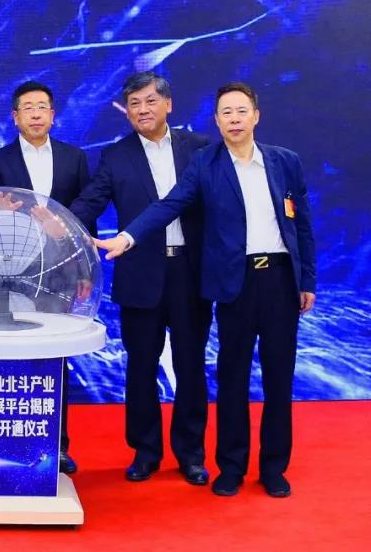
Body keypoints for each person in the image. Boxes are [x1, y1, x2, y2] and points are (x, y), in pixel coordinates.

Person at [95, 81, 317, 498]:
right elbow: (169, 204)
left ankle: (273, 468)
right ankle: (231, 466)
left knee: (279, 379)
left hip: (280, 281)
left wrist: (307, 280)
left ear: (256, 116)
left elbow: (301, 224)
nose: (234, 119)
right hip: (234, 283)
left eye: (241, 111)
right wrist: (127, 237)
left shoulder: (285, 162)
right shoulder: (205, 163)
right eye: (225, 113)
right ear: (216, 121)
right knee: (232, 379)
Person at [69, 72, 213, 485]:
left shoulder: (200, 148)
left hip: (189, 272)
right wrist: (57, 224)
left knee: (190, 365)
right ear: (127, 112)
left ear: (168, 104)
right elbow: (90, 201)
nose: (143, 110)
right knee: (141, 367)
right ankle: (146, 452)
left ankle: (191, 454)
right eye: (135, 104)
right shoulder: (116, 156)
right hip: (140, 274)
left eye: (150, 101)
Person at [0, 80, 96, 475]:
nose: (35, 114)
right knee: (6, 359)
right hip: (7, 278)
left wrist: (84, 269)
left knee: (53, 359)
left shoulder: (73, 158)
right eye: (27, 108)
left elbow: (85, 216)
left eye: (42, 107)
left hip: (60, 276)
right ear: (15, 117)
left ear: (53, 114)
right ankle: (6, 443)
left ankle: (57, 445)